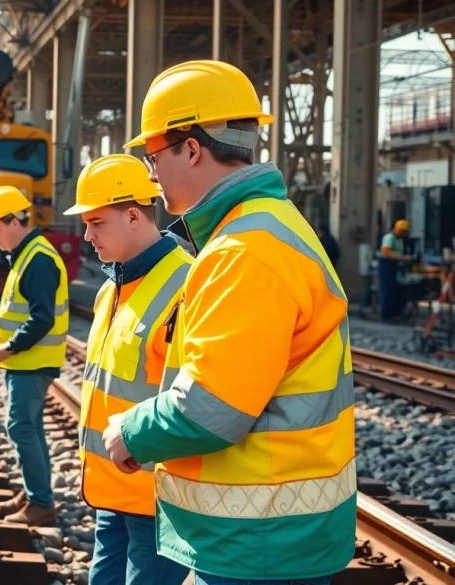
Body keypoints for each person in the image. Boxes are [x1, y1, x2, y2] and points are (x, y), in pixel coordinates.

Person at [102, 60, 355, 585]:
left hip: (258, 539)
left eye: (153, 156)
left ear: (191, 148)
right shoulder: (268, 229)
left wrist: (132, 432)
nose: (150, 175)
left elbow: (212, 409)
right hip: (272, 531)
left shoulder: (245, 250)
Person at [62, 154, 192, 585]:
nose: (86, 234)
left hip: (156, 499)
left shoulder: (186, 287)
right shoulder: (110, 289)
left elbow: (193, 401)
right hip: (111, 490)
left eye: (96, 222)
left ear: (133, 215)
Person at [0, 185, 68, 527]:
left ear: (14, 220)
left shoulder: (38, 259)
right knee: (30, 428)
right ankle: (34, 494)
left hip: (31, 362)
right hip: (26, 362)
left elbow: (42, 317)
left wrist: (8, 346)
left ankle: (41, 503)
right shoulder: (27, 254)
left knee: (20, 427)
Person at [377, 219, 412, 323]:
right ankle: (385, 317)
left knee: (395, 291)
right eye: (403, 232)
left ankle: (394, 314)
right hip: (386, 266)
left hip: (395, 266)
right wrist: (403, 258)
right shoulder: (389, 237)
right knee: (387, 291)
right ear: (398, 230)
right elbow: (386, 252)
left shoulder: (400, 240)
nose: (404, 234)